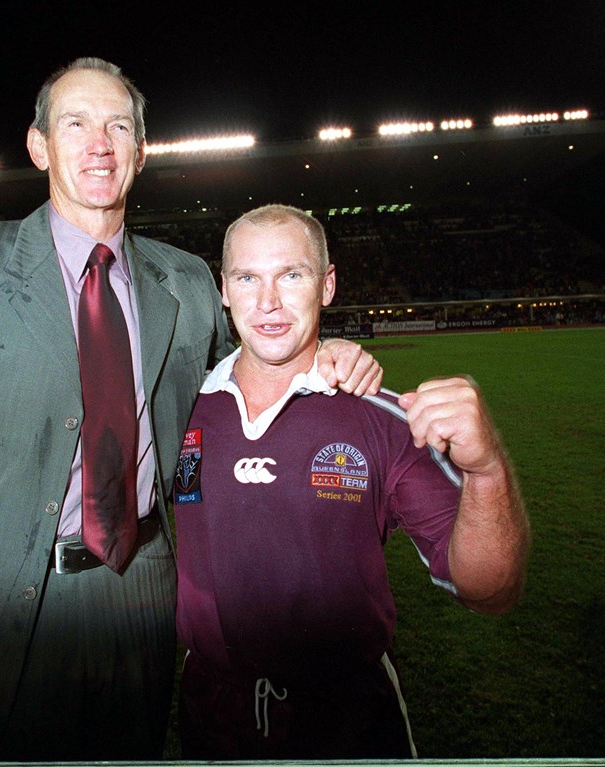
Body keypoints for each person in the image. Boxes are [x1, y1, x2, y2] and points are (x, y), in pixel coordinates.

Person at [0, 58, 381, 762]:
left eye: (118, 126)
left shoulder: (188, 279)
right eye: (75, 123)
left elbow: (237, 391)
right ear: (39, 145)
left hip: (144, 588)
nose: (99, 143)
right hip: (4, 605)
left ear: (140, 151)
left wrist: (328, 353)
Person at [173, 204, 531, 759]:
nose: (268, 301)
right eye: (248, 278)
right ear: (224, 289)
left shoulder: (383, 418)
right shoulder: (177, 410)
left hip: (347, 722)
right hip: (210, 719)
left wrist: (486, 471)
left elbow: (489, 589)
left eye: (292, 275)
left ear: (328, 285)